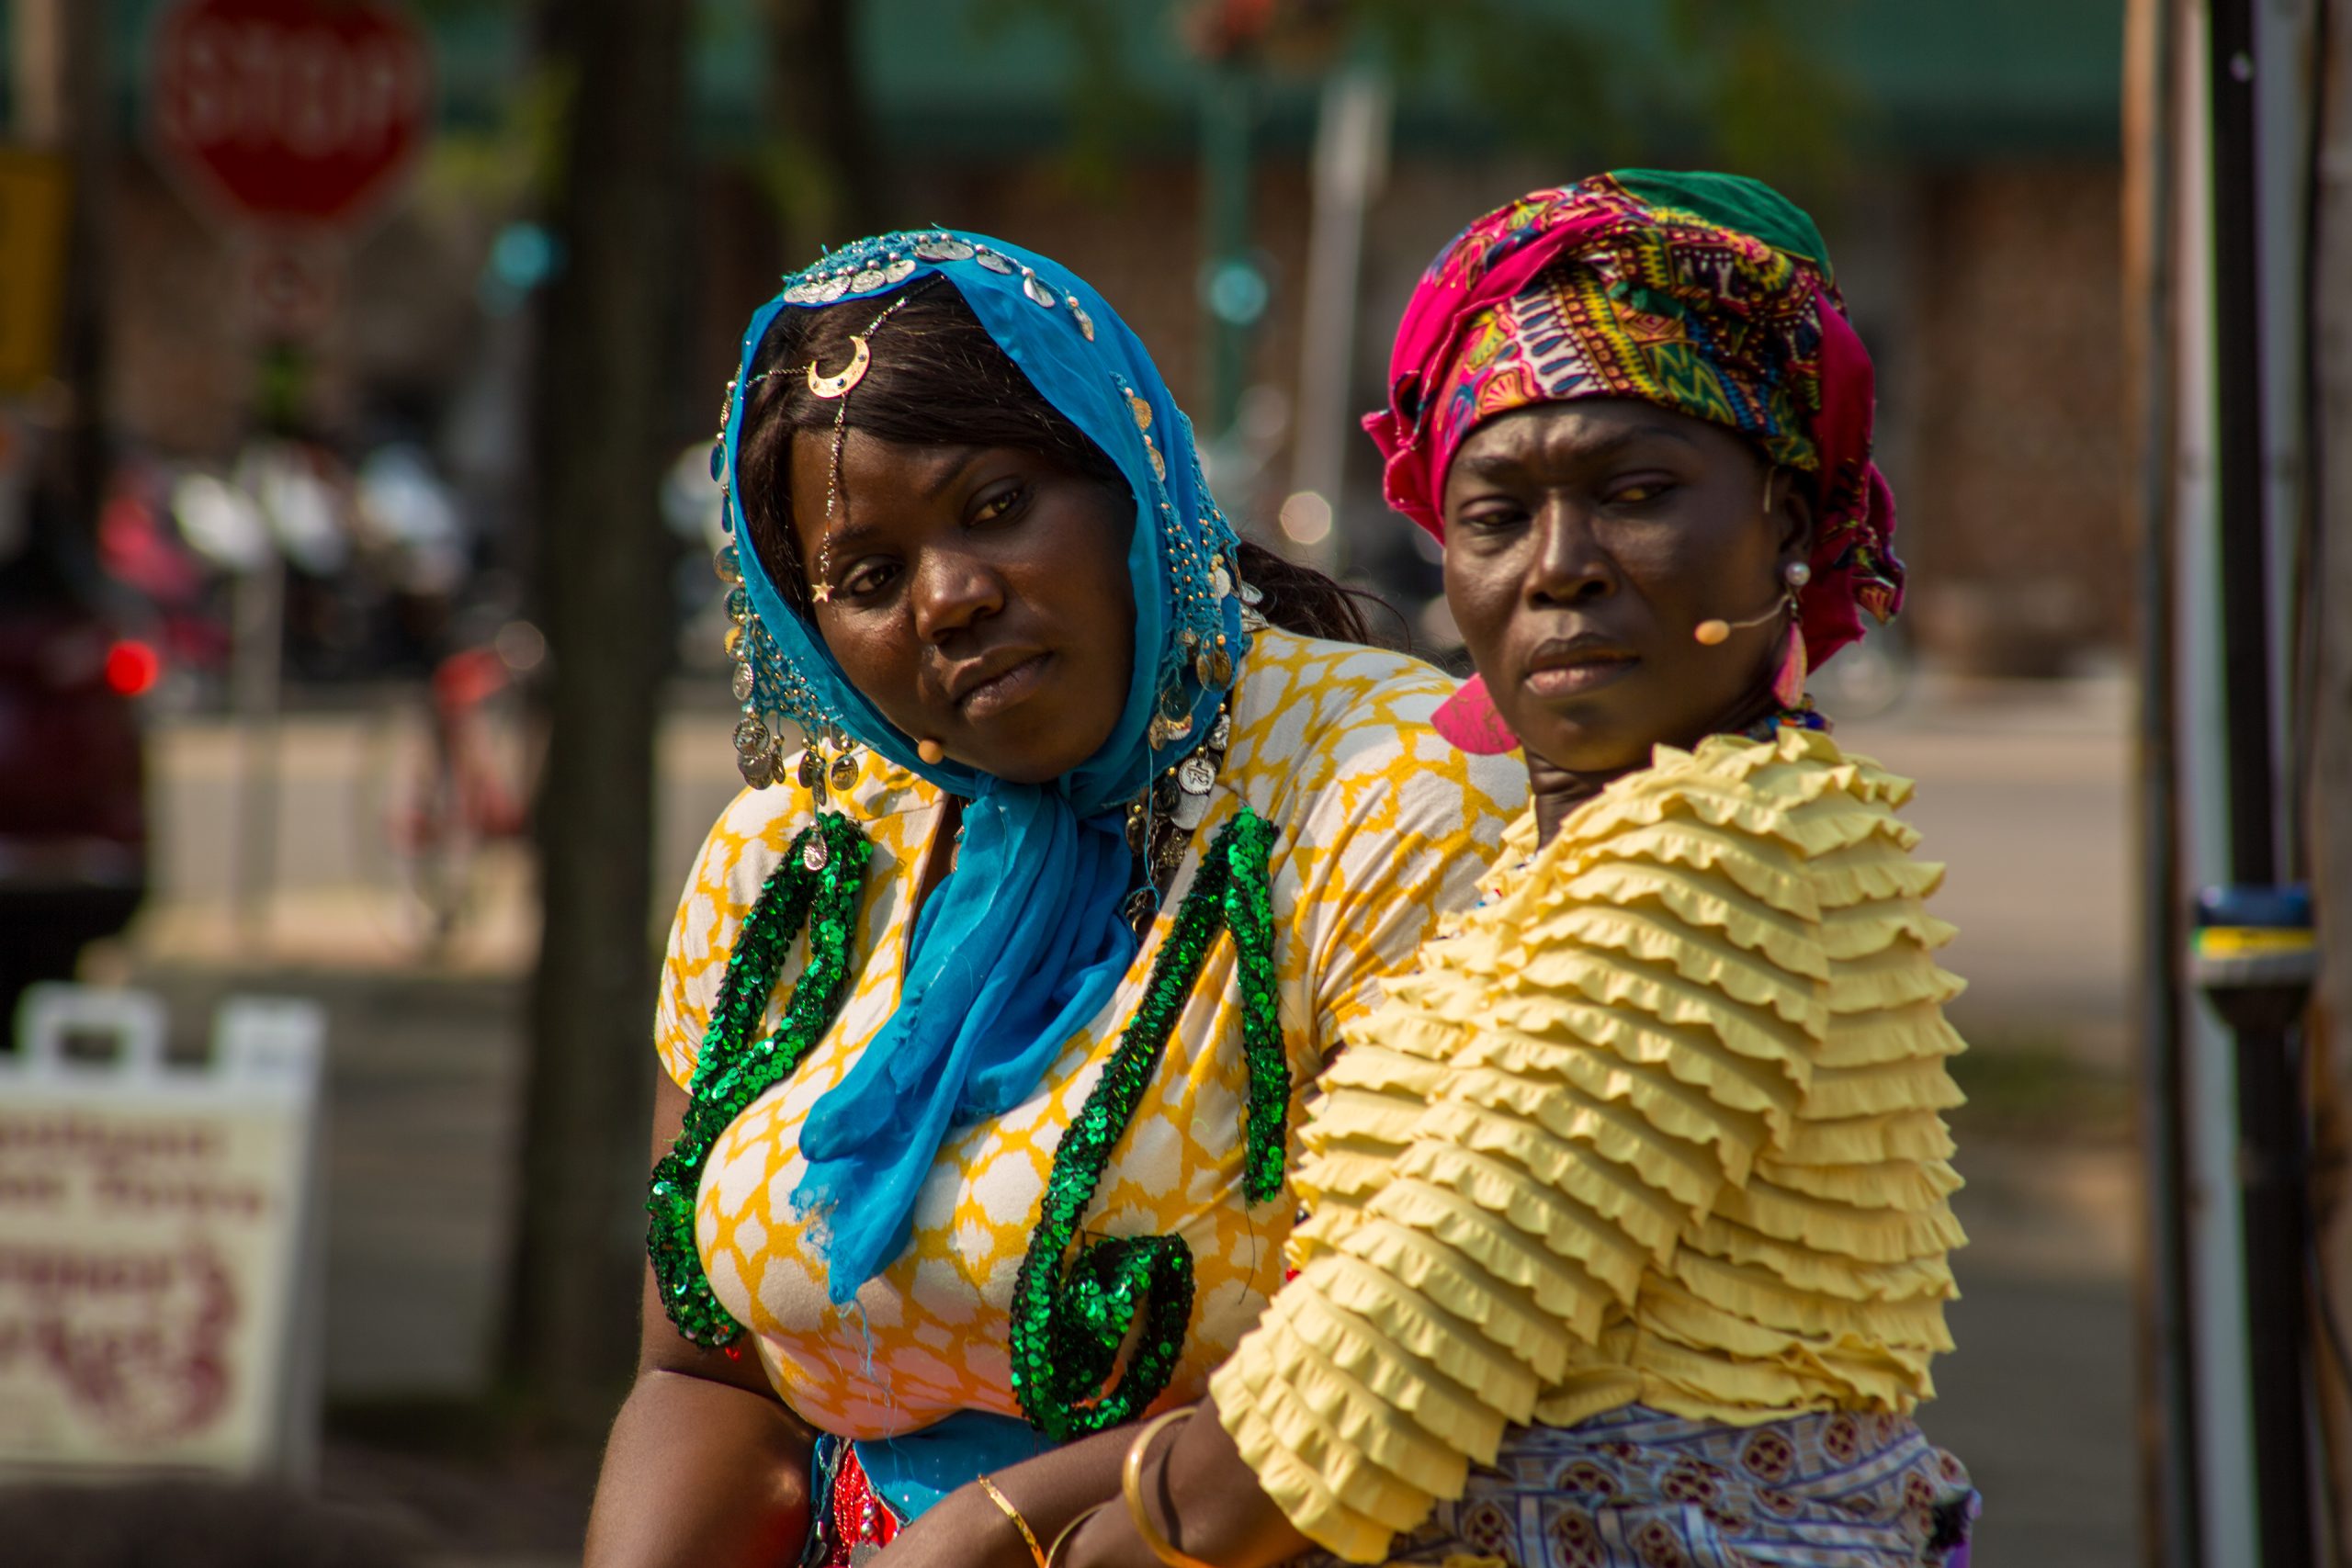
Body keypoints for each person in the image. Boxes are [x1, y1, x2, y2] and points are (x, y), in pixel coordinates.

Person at [877, 173, 1978, 1568]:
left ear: (1792, 525)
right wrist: (999, 1515)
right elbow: (1345, 1336)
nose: (1562, 568)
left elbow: (1397, 1354)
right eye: (1498, 516)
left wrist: (1059, 1543)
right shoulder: (1551, 867)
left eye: (1638, 493)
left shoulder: (1729, 854)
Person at [582, 231, 1528, 1568]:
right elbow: (707, 1379)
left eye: (996, 506)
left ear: (1127, 475)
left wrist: (989, 1532)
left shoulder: (1396, 797)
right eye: (867, 578)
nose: (951, 599)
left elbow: (1409, 1357)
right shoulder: (796, 857)